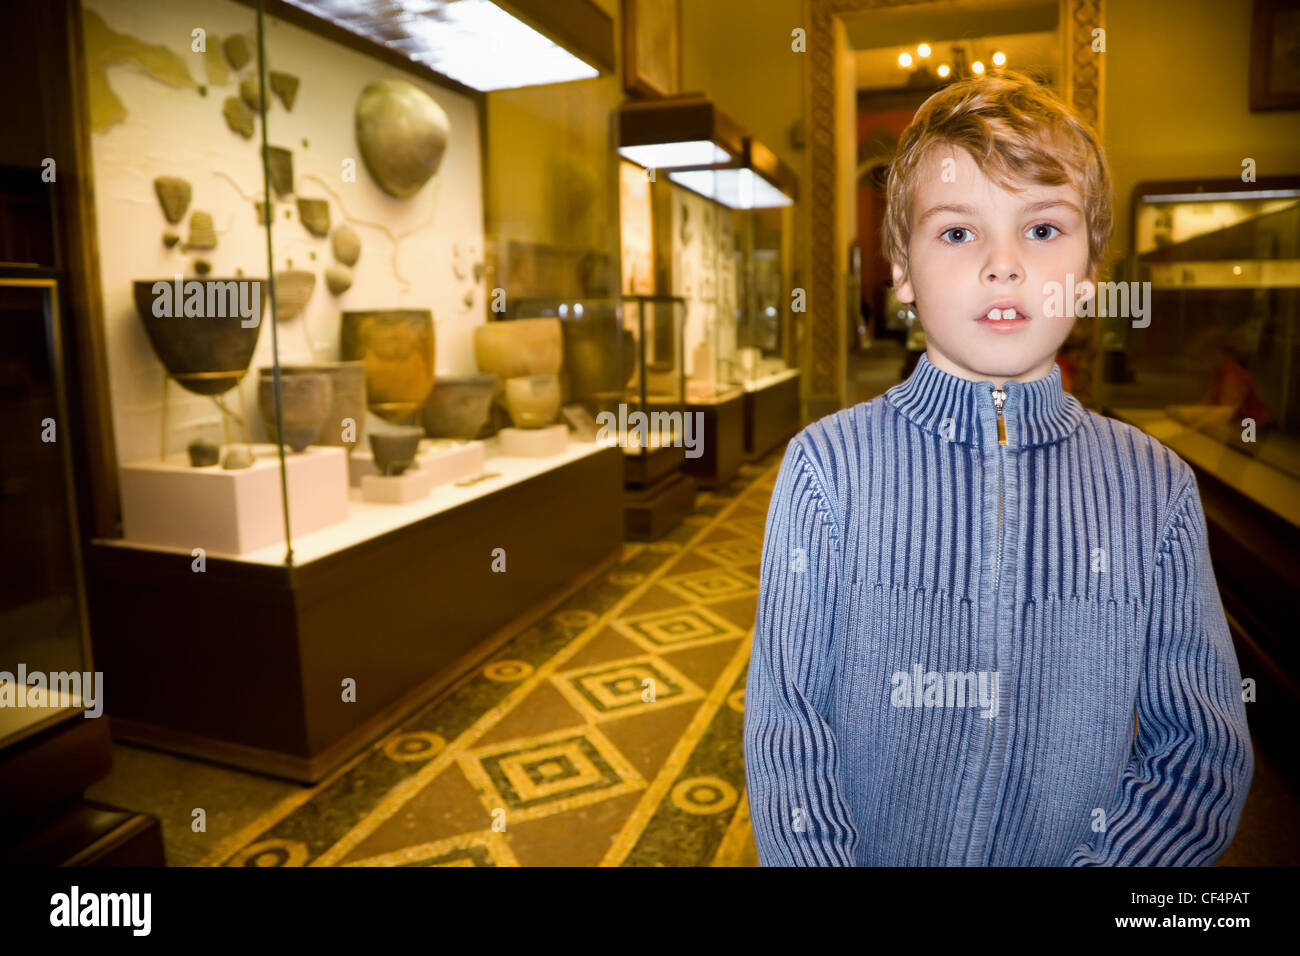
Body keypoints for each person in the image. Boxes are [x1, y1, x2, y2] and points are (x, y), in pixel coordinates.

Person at [743, 71, 1254, 866]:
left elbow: (1198, 753)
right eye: (957, 233)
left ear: (1089, 273)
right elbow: (789, 729)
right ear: (903, 274)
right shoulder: (826, 471)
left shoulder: (1155, 489)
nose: (1003, 264)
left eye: (1043, 230)